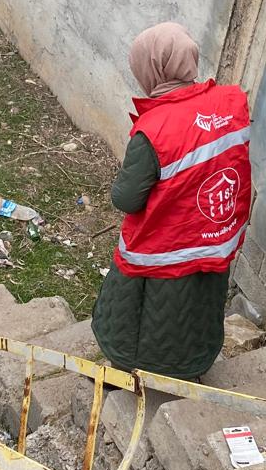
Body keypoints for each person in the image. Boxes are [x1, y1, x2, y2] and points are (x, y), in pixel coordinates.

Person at [91, 22, 252, 379]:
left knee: (144, 321)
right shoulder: (230, 103)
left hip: (163, 251)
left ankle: (131, 373)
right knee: (198, 312)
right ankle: (193, 368)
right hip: (212, 239)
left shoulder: (155, 128)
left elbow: (127, 198)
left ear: (153, 69)